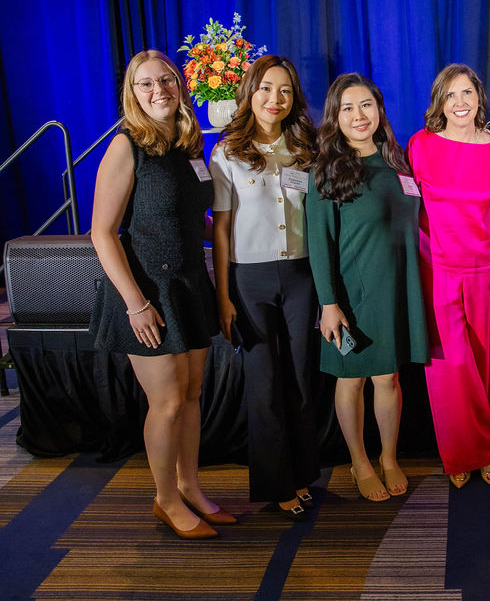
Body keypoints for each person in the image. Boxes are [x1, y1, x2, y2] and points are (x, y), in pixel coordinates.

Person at [90, 49, 232, 539]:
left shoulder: (187, 145)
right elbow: (102, 233)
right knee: (168, 402)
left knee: (192, 396)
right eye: (146, 84)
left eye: (167, 80)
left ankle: (189, 488)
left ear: (180, 85)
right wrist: (136, 303)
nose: (159, 91)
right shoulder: (125, 146)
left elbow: (196, 220)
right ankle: (165, 499)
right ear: (133, 93)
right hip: (147, 289)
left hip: (189, 283)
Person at [306, 73, 428, 502]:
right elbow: (319, 245)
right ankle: (359, 460)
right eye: (348, 108)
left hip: (395, 290)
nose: (359, 116)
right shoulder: (326, 171)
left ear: (379, 110)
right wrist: (328, 304)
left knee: (389, 378)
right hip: (351, 296)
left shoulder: (398, 162)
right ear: (335, 117)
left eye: (366, 106)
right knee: (352, 379)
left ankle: (389, 457)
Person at [209, 54, 320, 520]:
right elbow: (219, 230)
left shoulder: (306, 149)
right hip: (249, 279)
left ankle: (301, 473)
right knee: (264, 383)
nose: (275, 99)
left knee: (299, 378)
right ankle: (276, 484)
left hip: (301, 276)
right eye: (266, 88)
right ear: (249, 92)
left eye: (285, 90)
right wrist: (223, 296)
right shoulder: (226, 152)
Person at [407, 64, 490, 489]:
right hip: (439, 269)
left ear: (479, 98)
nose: (460, 103)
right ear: (439, 103)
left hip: (485, 269)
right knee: (451, 369)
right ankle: (462, 453)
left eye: (467, 93)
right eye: (451, 95)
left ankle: (489, 449)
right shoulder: (421, 145)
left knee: (486, 363)